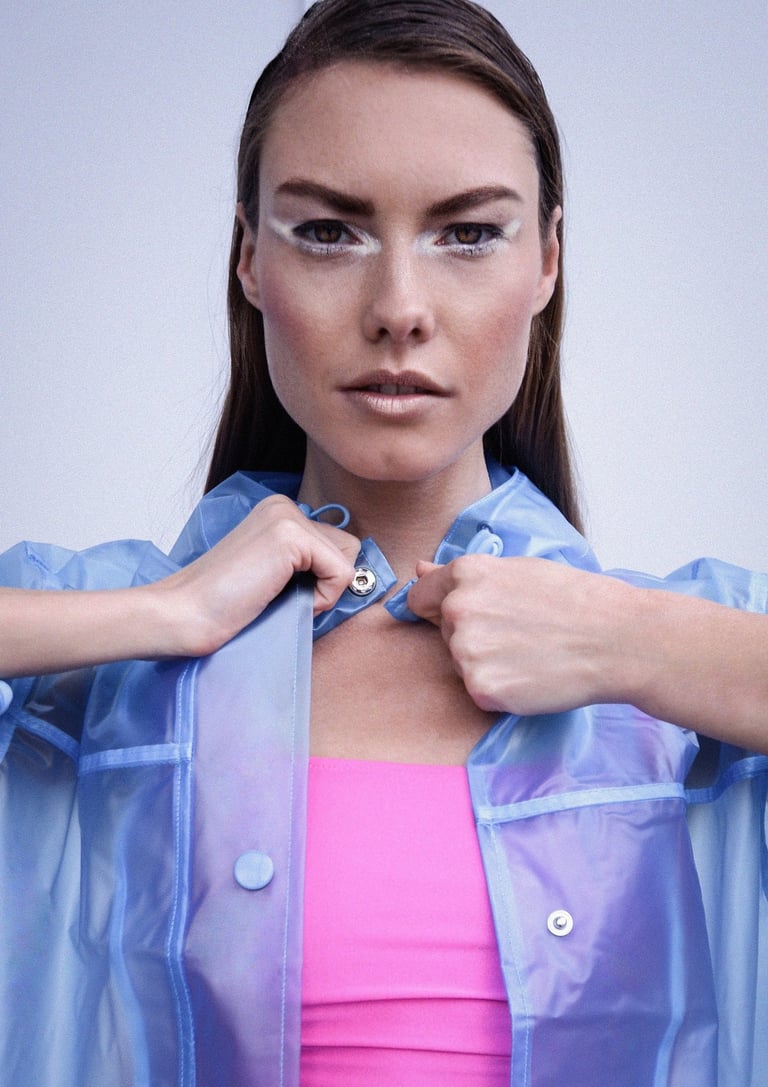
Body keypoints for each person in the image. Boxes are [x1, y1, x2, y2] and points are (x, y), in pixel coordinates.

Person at [0, 1, 766, 1085]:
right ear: (249, 259)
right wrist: (167, 613)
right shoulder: (101, 663)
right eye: (328, 231)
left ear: (548, 261)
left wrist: (635, 643)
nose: (399, 308)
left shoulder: (686, 671)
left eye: (468, 233)